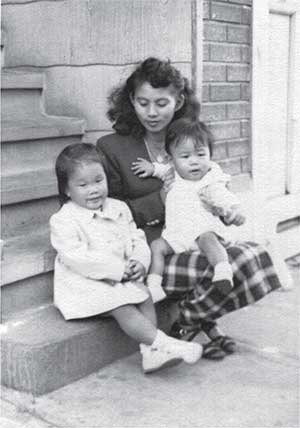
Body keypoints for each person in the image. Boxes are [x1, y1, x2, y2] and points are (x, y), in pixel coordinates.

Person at [97, 57, 282, 360]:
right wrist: (160, 199)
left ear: (179, 100)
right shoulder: (111, 148)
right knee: (230, 264)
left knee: (253, 253)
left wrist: (222, 208)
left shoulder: (192, 141)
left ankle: (191, 321)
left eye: (161, 103)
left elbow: (212, 190)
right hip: (151, 248)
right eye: (143, 103)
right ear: (131, 101)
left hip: (197, 235)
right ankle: (193, 322)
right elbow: (109, 213)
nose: (152, 112)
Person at [50, 143, 203, 374]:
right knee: (121, 304)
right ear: (67, 190)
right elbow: (77, 258)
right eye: (83, 185)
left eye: (98, 181)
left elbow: (137, 238)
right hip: (84, 284)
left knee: (144, 293)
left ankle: (150, 353)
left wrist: (138, 262)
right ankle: (163, 343)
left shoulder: (119, 208)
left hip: (121, 274)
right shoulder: (64, 219)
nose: (93, 190)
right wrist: (117, 269)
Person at [147, 118, 246, 301]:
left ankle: (222, 270)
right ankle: (154, 285)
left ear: (210, 155)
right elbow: (160, 169)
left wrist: (235, 211)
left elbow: (224, 197)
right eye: (185, 157)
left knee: (208, 238)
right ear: (172, 158)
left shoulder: (210, 179)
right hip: (177, 234)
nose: (194, 162)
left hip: (202, 231)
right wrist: (150, 168)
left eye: (201, 155)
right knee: (156, 246)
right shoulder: (171, 173)